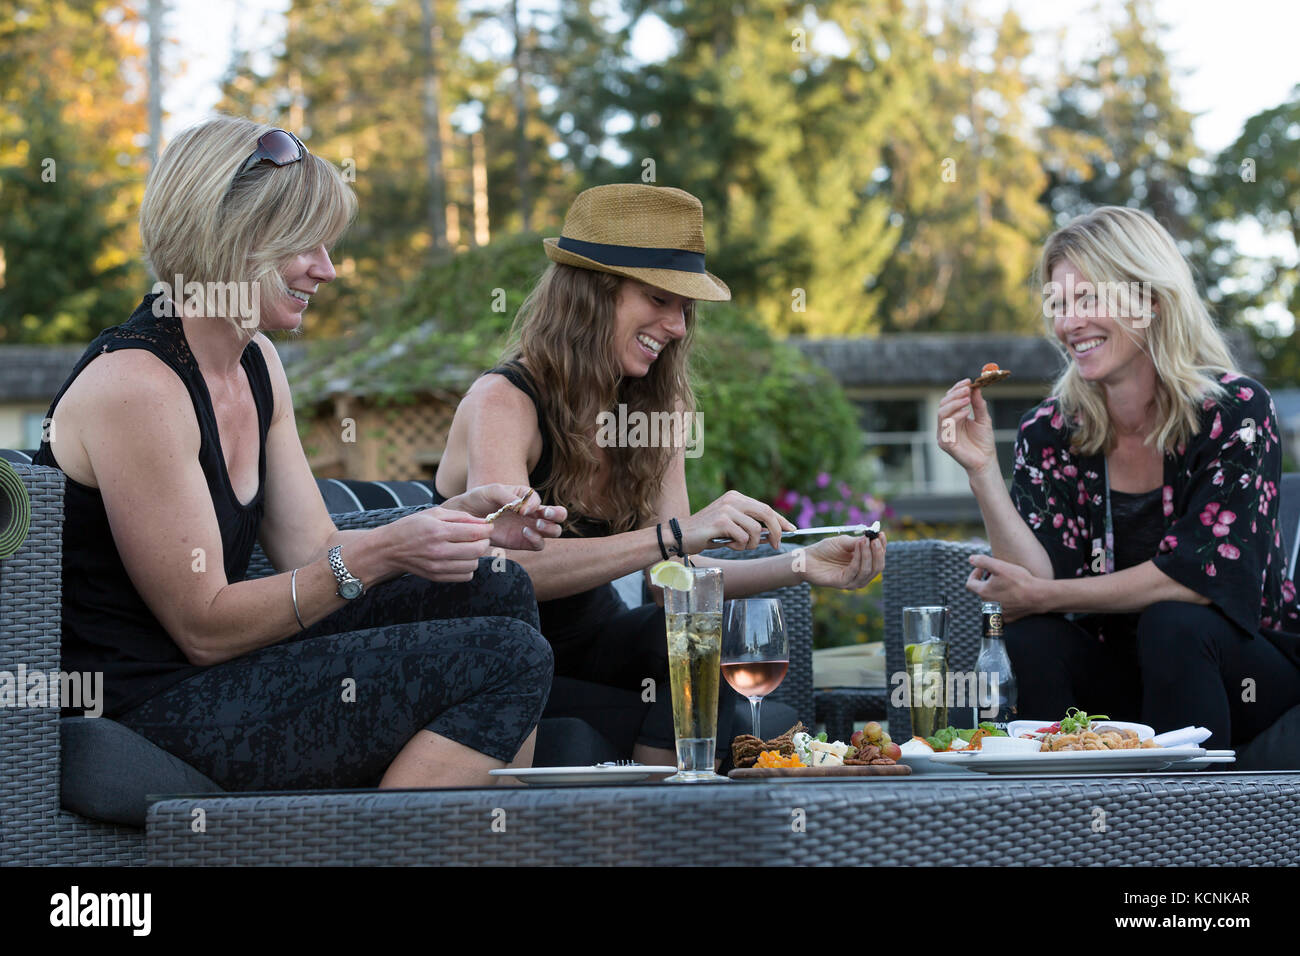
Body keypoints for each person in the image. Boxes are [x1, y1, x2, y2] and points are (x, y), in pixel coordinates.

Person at [32, 116, 567, 790]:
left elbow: (311, 551)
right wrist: (384, 550)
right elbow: (202, 628)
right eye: (304, 244)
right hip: (147, 704)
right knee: (503, 658)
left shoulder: (256, 360)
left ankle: (485, 831)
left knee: (493, 583)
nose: (328, 268)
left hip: (225, 673)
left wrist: (460, 523)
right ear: (229, 239)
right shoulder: (137, 387)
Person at [433, 184, 886, 764]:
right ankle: (667, 810)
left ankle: (672, 811)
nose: (676, 325)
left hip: (595, 644)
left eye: (684, 308)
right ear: (593, 295)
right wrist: (673, 536)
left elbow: (670, 578)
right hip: (498, 660)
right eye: (657, 299)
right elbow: (509, 570)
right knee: (686, 724)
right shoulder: (506, 400)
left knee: (694, 636)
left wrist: (802, 564)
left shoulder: (656, 408)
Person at [936, 205, 1300, 750]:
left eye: (1089, 298)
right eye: (1058, 303)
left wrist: (1045, 593)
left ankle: (1193, 827)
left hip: (1238, 669)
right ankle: (1057, 819)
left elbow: (1194, 579)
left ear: (1150, 300)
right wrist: (983, 470)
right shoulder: (1050, 429)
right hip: (1117, 669)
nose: (1068, 322)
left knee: (1173, 623)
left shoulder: (1237, 412)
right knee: (1031, 637)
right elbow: (1033, 577)